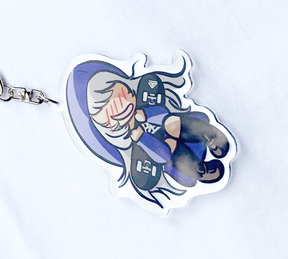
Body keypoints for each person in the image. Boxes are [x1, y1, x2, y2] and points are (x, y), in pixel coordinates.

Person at [65, 53, 235, 212]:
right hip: (171, 155)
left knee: (172, 121)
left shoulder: (142, 110)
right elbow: (161, 156)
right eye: (113, 115)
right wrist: (142, 138)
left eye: (126, 97)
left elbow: (162, 111)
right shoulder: (132, 141)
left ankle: (209, 135)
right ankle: (201, 170)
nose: (122, 108)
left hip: (180, 132)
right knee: (169, 153)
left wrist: (148, 115)